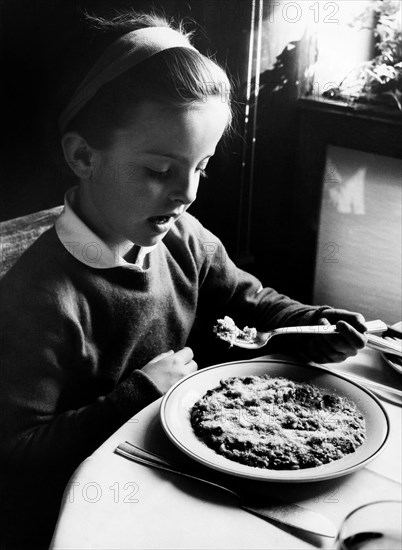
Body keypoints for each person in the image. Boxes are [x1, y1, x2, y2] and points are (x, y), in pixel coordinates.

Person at [0, 10, 367, 549]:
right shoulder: (41, 299)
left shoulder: (183, 238)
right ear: (83, 156)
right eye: (159, 171)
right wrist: (141, 392)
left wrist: (313, 323)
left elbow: (252, 303)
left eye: (202, 166)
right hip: (83, 516)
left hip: (174, 481)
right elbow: (18, 454)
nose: (188, 192)